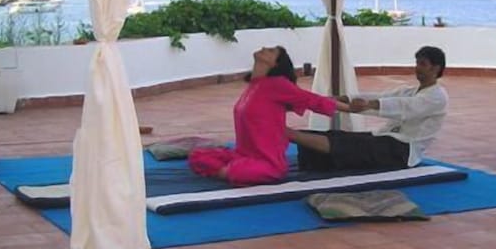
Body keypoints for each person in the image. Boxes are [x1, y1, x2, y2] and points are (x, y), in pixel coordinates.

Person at [188, 46, 349, 186]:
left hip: (268, 162)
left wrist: (348, 108)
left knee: (238, 171)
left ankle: (230, 171)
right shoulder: (254, 85)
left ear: (275, 64)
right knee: (198, 156)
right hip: (242, 154)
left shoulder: (277, 84)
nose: (264, 48)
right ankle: (229, 171)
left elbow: (311, 99)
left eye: (271, 51)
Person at [288, 46, 448, 171]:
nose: (417, 68)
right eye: (417, 63)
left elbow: (403, 106)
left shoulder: (437, 96)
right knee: (338, 135)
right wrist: (345, 98)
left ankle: (287, 133)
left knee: (348, 145)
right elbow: (383, 97)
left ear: (435, 68)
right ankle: (291, 136)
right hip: (387, 139)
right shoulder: (409, 91)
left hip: (404, 151)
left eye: (423, 64)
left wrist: (368, 104)